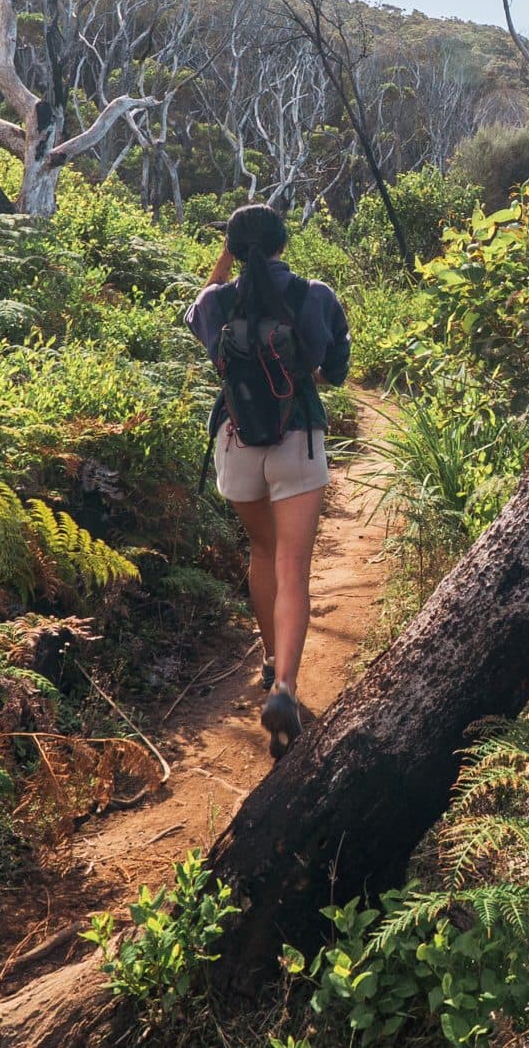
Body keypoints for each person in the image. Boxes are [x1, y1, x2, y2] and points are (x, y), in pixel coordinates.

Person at [185, 203, 349, 756]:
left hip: (237, 443)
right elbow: (338, 370)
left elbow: (196, 309)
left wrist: (226, 258)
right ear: (284, 243)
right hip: (296, 440)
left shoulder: (217, 300)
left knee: (261, 551)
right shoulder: (315, 295)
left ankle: (271, 655)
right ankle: (284, 687)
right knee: (292, 567)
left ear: (232, 248)